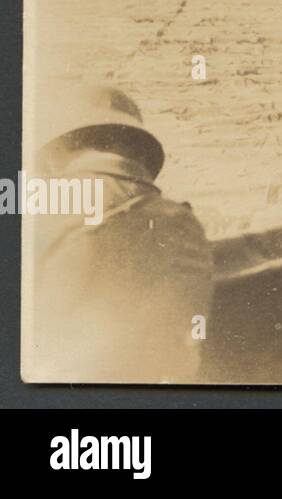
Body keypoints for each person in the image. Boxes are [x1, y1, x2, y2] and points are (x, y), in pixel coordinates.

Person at [29, 83, 213, 383]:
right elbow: (189, 344)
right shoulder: (183, 222)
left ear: (54, 152)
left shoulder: (39, 204)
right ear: (140, 154)